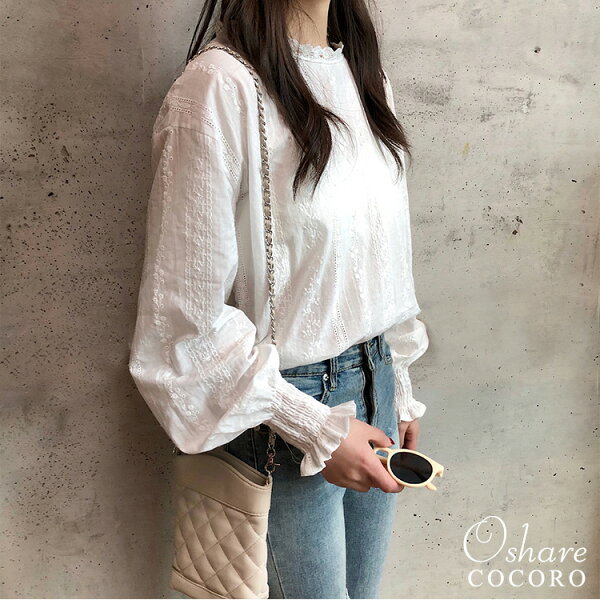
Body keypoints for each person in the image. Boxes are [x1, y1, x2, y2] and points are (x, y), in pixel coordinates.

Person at [128, 0, 430, 597]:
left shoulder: (365, 77)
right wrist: (314, 427)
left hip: (375, 390)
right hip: (281, 414)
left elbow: (380, 254)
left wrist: (397, 382)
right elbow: (183, 323)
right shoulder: (219, 89)